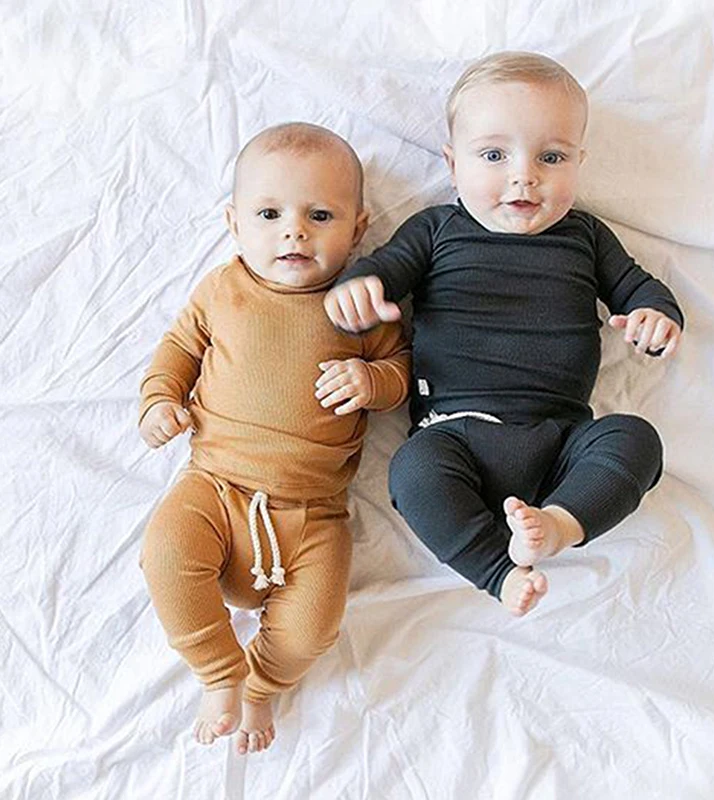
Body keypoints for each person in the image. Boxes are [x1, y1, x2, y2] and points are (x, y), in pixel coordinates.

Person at [324, 51, 684, 618]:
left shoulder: (585, 237)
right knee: (413, 470)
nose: (525, 174)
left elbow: (639, 288)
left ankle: (560, 524)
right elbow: (381, 270)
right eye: (494, 155)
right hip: (455, 433)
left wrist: (655, 316)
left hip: (563, 443)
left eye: (551, 157)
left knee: (637, 440)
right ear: (452, 164)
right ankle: (498, 570)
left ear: (579, 161)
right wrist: (357, 289)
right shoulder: (437, 230)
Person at [138, 123, 410, 754]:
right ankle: (218, 672)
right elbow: (178, 349)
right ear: (234, 223)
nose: (295, 232)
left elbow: (401, 372)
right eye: (270, 214)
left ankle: (262, 686)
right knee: (165, 555)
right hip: (214, 488)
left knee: (314, 628)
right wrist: (160, 401)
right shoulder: (222, 290)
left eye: (320, 215)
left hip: (314, 515)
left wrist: (372, 380)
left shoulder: (359, 306)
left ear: (358, 228)